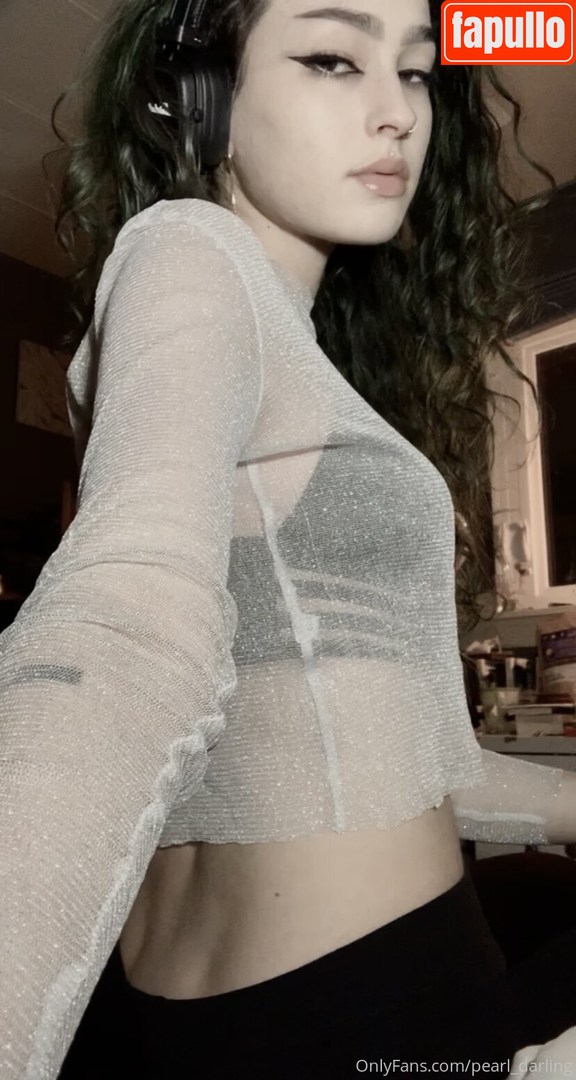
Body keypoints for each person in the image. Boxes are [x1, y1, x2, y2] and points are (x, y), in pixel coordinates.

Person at [2, 0, 576, 1076]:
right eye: (330, 58)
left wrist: (563, 801)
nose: (397, 112)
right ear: (202, 99)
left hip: (223, 1021)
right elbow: (122, 617)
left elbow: (362, 762)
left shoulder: (269, 340)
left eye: (416, 71)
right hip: (366, 1009)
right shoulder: (191, 250)